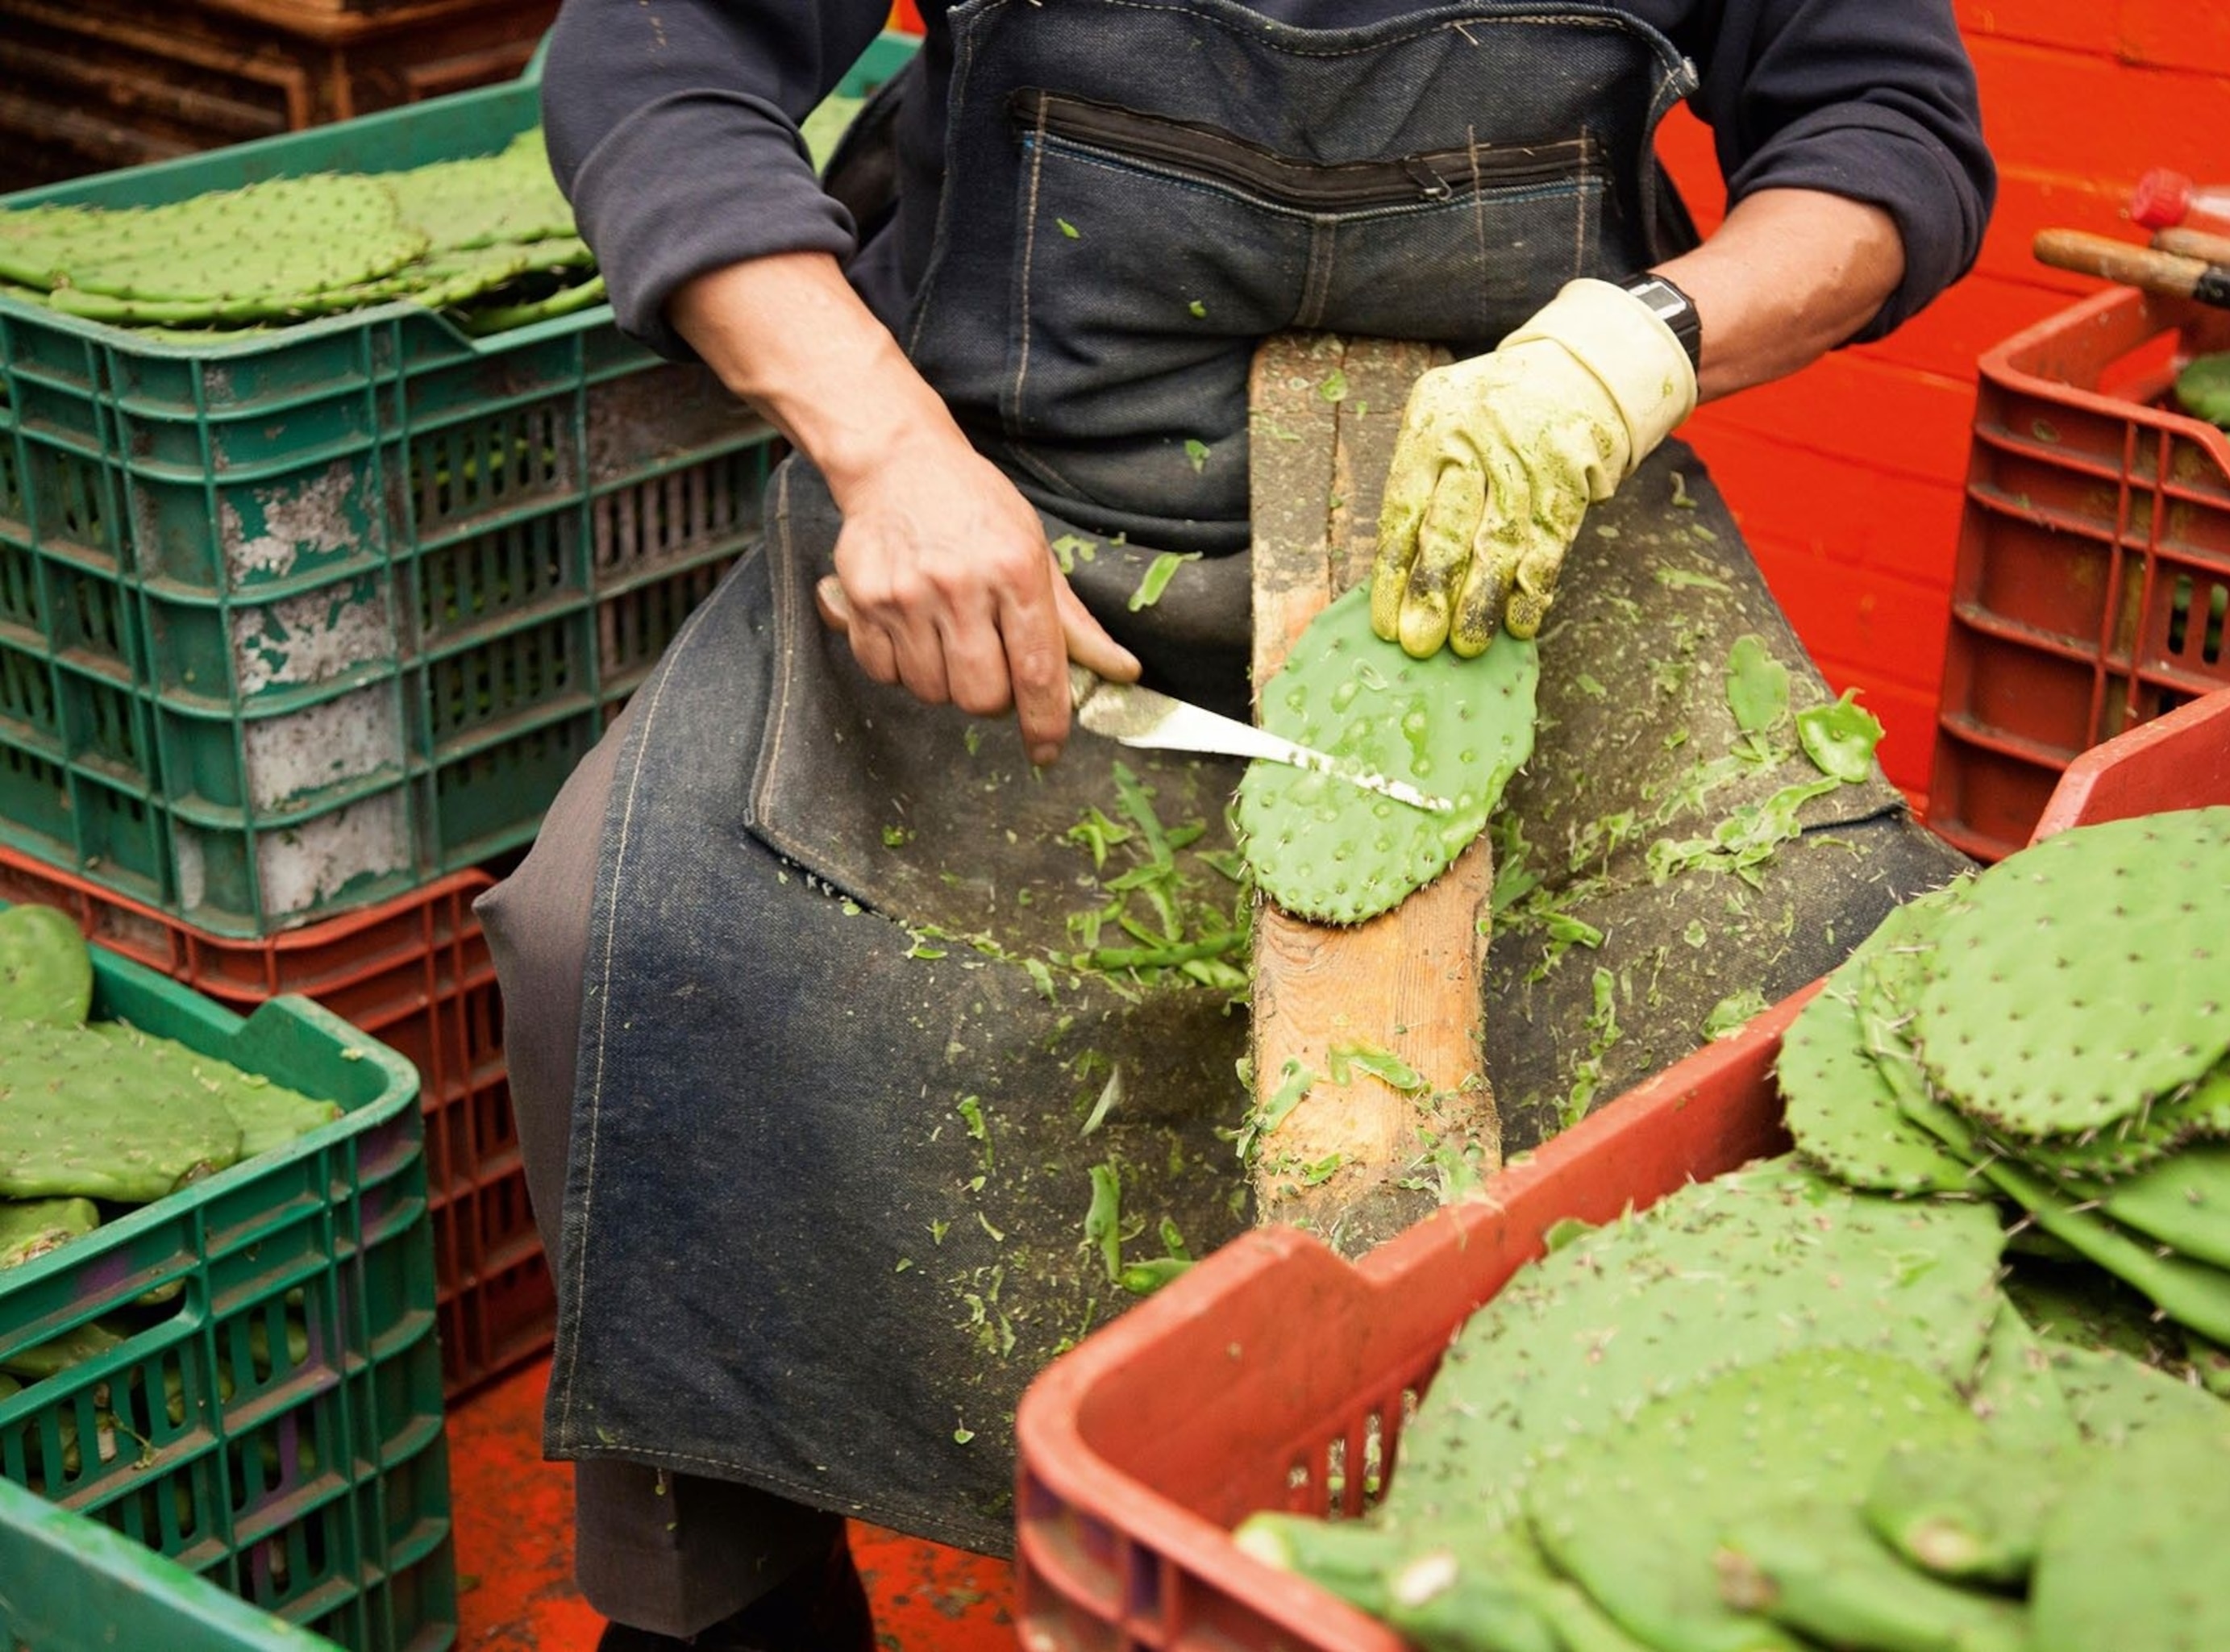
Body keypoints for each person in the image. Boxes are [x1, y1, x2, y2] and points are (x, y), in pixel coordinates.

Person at [479, 2, 1995, 1646]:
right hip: (1005, 525)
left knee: (1830, 959)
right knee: (624, 941)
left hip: (1513, 534)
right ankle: (742, 1593)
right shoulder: (927, 474)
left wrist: (1635, 350)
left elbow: (1884, 131)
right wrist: (890, 452)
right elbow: (656, 61)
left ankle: (1590, 1573)